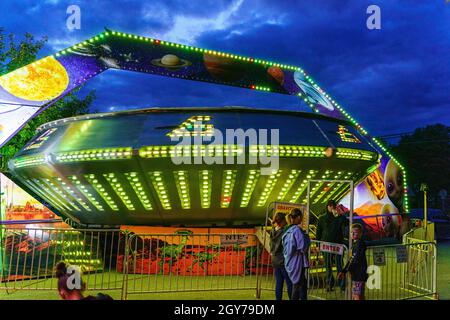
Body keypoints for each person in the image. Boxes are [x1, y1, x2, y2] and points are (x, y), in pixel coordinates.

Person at [316, 199, 347, 292]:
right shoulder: (322, 218)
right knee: (328, 265)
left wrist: (340, 214)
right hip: (326, 245)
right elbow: (318, 232)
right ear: (327, 207)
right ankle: (329, 284)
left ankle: (342, 285)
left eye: (333, 206)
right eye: (330, 206)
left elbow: (346, 223)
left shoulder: (339, 217)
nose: (331, 208)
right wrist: (317, 244)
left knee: (339, 265)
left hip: (338, 245)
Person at [282, 208, 310, 300]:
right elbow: (302, 246)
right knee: (297, 286)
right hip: (297, 262)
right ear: (298, 217)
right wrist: (306, 238)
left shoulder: (286, 230)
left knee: (300, 284)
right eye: (301, 217)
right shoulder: (297, 230)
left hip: (289, 261)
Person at [338, 223, 368, 300]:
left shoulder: (359, 244)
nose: (353, 234)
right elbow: (352, 258)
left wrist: (346, 270)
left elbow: (354, 259)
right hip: (357, 274)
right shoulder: (355, 244)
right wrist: (344, 271)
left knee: (356, 295)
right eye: (351, 232)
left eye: (356, 232)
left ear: (361, 233)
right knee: (358, 294)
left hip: (359, 274)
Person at [270, 212, 292, 300]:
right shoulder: (284, 232)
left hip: (275, 260)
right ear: (282, 221)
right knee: (289, 283)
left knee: (279, 283)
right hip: (283, 261)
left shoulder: (272, 231)